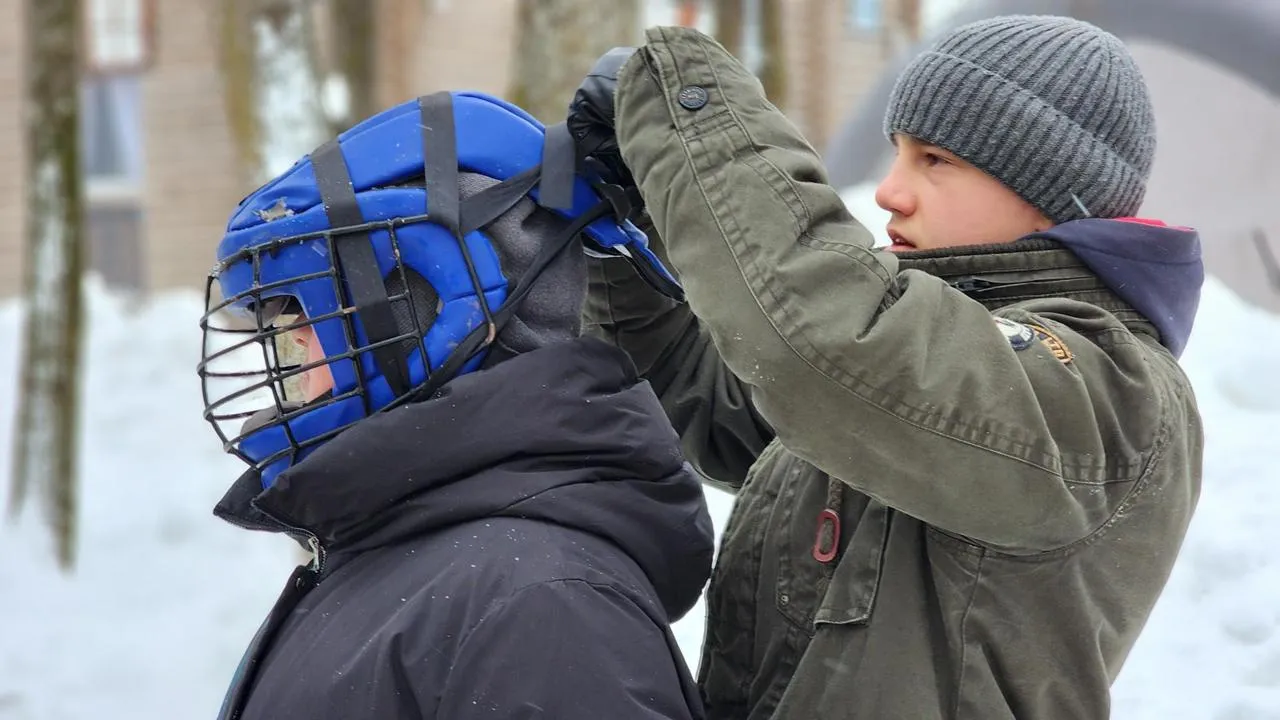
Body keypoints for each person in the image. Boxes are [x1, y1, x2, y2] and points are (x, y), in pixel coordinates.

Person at [569, 15, 1205, 719]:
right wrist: (630, 236)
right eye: (897, 153)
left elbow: (828, 346)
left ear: (1053, 187)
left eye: (936, 160)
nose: (889, 191)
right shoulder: (905, 370)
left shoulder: (1112, 385)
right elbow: (727, 408)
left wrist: (686, 101)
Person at [199, 91, 713, 720]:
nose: (292, 343)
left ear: (438, 303)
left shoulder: (535, 607)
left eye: (310, 307)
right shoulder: (416, 555)